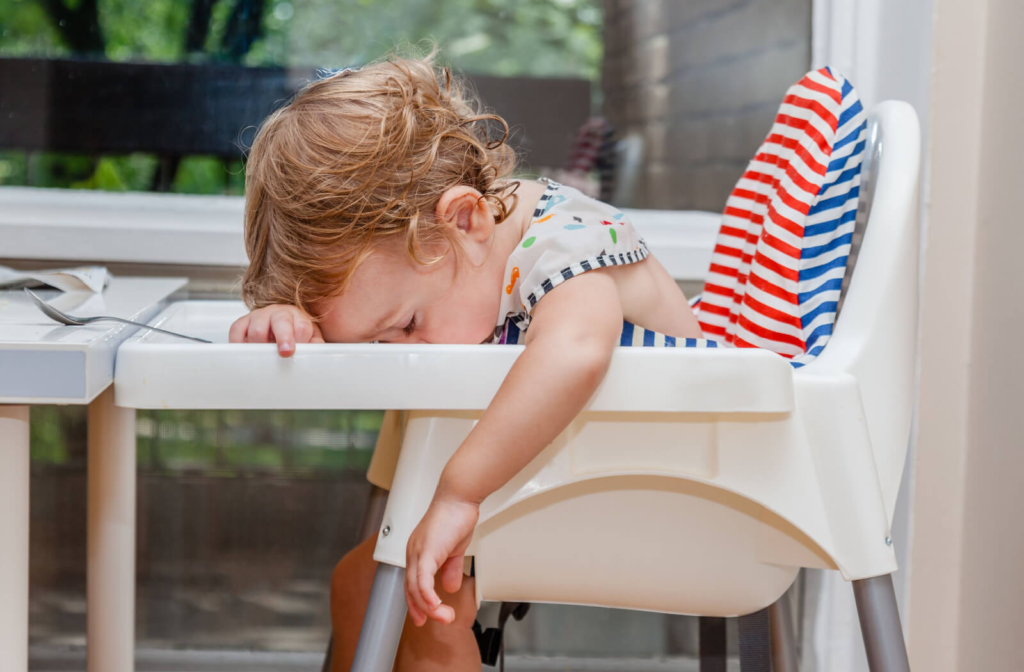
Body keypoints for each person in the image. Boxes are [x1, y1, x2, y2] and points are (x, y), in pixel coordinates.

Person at [229, 51, 703, 671]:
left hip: (661, 491)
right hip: (559, 484)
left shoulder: (569, 239)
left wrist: (458, 493)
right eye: (377, 341)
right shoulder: (451, 261)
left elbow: (577, 352)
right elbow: (375, 306)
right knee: (358, 582)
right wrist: (292, 321)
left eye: (405, 325)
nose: (399, 352)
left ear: (465, 219)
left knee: (421, 598)